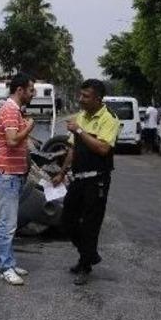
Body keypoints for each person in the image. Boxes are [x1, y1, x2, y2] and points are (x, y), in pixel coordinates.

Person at [51, 79, 119, 286]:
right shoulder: (81, 116)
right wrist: (62, 173)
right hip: (78, 179)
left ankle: (85, 264)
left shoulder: (109, 119)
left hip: (96, 180)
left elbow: (103, 149)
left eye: (85, 96)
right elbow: (72, 149)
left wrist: (80, 131)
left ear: (98, 99)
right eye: (80, 95)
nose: (81, 100)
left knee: (90, 225)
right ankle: (90, 255)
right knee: (67, 221)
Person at [0, 73, 36, 286]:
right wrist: (29, 127)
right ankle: (6, 268)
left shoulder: (14, 110)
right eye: (30, 90)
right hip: (7, 174)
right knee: (8, 224)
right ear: (20, 90)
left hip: (11, 173)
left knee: (6, 223)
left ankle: (5, 262)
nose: (32, 93)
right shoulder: (9, 110)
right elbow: (12, 140)